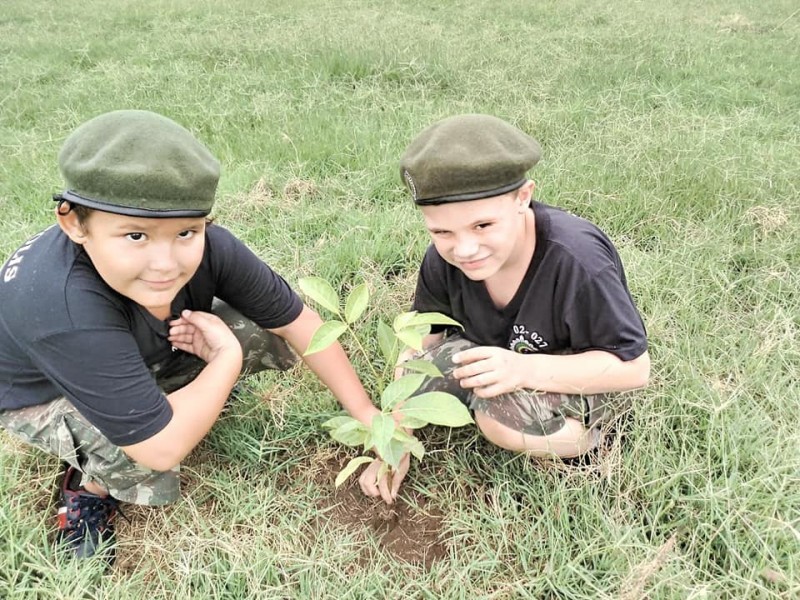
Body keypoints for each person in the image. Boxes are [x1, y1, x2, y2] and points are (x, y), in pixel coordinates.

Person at [0, 110, 380, 562]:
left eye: (186, 231)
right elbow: (160, 449)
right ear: (75, 223)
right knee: (139, 454)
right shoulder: (59, 303)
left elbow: (297, 323)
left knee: (259, 327)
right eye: (136, 235)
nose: (166, 263)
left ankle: (172, 394)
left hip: (126, 344)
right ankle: (90, 489)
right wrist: (224, 361)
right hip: (42, 391)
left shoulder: (215, 247)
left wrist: (368, 416)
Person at [360, 114, 650, 504]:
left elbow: (634, 368)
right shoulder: (443, 259)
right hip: (497, 359)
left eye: (482, 226)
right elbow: (418, 347)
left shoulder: (577, 261)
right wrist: (395, 437)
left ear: (523, 197)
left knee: (496, 421)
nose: (463, 249)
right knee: (426, 373)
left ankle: (589, 443)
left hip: (578, 370)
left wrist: (521, 369)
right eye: (441, 231)